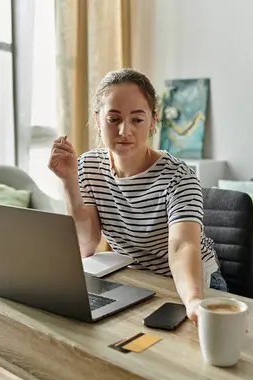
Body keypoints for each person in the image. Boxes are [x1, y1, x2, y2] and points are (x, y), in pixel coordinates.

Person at [48, 68, 227, 324]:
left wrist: (194, 301)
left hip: (194, 283)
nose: (124, 131)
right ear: (98, 120)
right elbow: (86, 245)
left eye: (137, 119)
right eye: (114, 119)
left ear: (153, 121)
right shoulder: (87, 167)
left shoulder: (179, 177)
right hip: (137, 279)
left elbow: (182, 246)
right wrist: (69, 183)